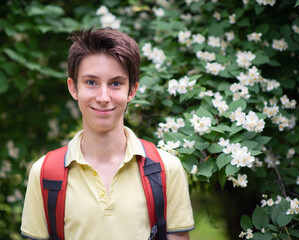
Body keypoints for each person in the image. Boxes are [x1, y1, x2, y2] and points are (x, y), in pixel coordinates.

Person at [20, 27, 194, 240]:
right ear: (73, 88)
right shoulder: (45, 172)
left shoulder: (166, 169)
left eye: (115, 83)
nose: (103, 97)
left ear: (132, 90)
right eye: (91, 82)